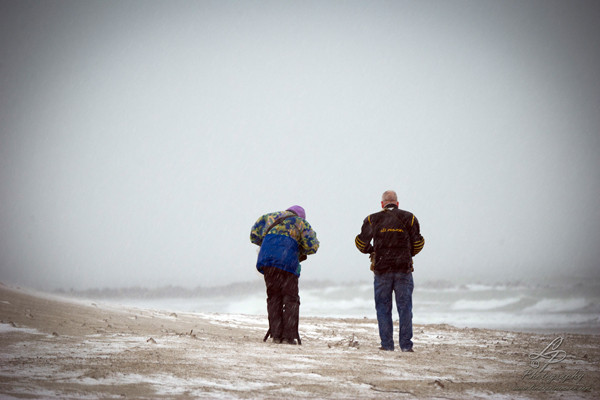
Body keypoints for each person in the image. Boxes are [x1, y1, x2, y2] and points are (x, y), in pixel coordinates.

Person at [355, 190, 425, 352]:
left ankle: (387, 345)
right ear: (397, 203)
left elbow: (360, 243)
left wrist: (373, 251)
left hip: (382, 270)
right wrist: (408, 254)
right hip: (404, 269)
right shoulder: (410, 218)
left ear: (382, 204)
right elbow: (418, 243)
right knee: (405, 308)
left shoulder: (373, 219)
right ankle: (406, 346)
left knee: (383, 308)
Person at [250, 205, 319, 344]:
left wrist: (270, 244)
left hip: (267, 260)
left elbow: (254, 236)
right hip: (287, 262)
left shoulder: (268, 217)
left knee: (273, 296)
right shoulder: (301, 223)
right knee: (290, 298)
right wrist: (298, 248)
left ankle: (276, 335)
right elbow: (312, 246)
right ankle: (289, 336)